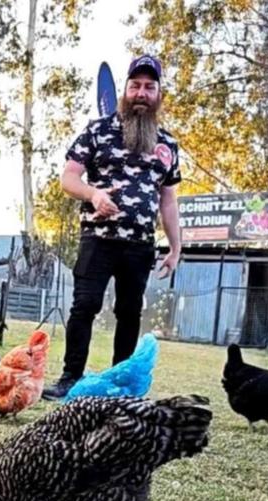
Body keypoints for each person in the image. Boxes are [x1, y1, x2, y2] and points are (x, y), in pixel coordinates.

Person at [43, 54, 182, 400]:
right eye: (135, 85)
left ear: (158, 94)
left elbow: (168, 200)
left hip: (140, 245)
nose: (141, 92)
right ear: (125, 89)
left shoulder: (168, 145)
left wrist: (176, 247)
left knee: (129, 313)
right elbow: (68, 178)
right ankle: (70, 378)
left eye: (150, 87)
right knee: (84, 306)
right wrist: (93, 194)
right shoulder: (98, 130)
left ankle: (120, 386)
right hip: (98, 238)